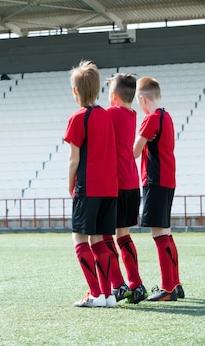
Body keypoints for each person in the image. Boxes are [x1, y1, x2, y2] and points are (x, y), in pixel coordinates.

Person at [64, 60, 118, 308]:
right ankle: (107, 296)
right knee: (100, 241)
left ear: (75, 91)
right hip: (110, 188)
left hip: (89, 187)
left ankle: (95, 293)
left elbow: (74, 158)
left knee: (79, 240)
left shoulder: (77, 118)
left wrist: (70, 184)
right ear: (98, 90)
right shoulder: (107, 116)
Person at [133, 77, 183, 301]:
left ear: (142, 99)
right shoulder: (167, 116)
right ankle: (176, 284)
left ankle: (168, 288)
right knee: (167, 232)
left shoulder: (150, 119)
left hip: (154, 179)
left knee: (159, 233)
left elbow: (134, 151)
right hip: (168, 179)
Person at [105, 73, 149, 304]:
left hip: (115, 185)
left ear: (113, 96)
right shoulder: (131, 114)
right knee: (124, 235)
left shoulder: (110, 113)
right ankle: (136, 283)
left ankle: (118, 284)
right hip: (131, 183)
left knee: (104, 236)